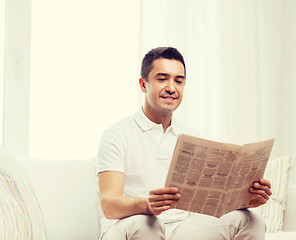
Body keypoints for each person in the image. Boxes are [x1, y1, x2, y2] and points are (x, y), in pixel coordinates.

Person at [96, 47, 272, 240]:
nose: (172, 87)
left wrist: (245, 200)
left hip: (178, 229)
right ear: (143, 84)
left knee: (249, 220)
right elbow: (109, 205)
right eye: (162, 79)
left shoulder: (191, 137)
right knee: (148, 223)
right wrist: (147, 205)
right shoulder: (117, 134)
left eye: (178, 81)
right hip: (128, 226)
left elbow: (206, 203)